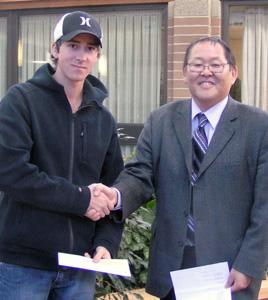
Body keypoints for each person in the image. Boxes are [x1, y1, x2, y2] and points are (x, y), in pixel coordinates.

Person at [91, 37, 268, 300]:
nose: (206, 72)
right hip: (172, 266)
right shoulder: (161, 119)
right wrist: (115, 196)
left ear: (233, 73)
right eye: (197, 65)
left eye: (215, 65)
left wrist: (248, 264)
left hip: (229, 271)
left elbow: (265, 204)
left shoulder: (258, 126)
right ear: (185, 73)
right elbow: (140, 173)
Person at [0, 11, 124, 300]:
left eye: (90, 48)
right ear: (55, 49)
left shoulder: (103, 119)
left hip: (80, 267)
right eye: (73, 45)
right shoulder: (21, 101)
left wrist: (107, 241)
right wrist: (81, 199)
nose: (81, 56)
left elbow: (113, 185)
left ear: (96, 56)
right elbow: (11, 172)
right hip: (24, 264)